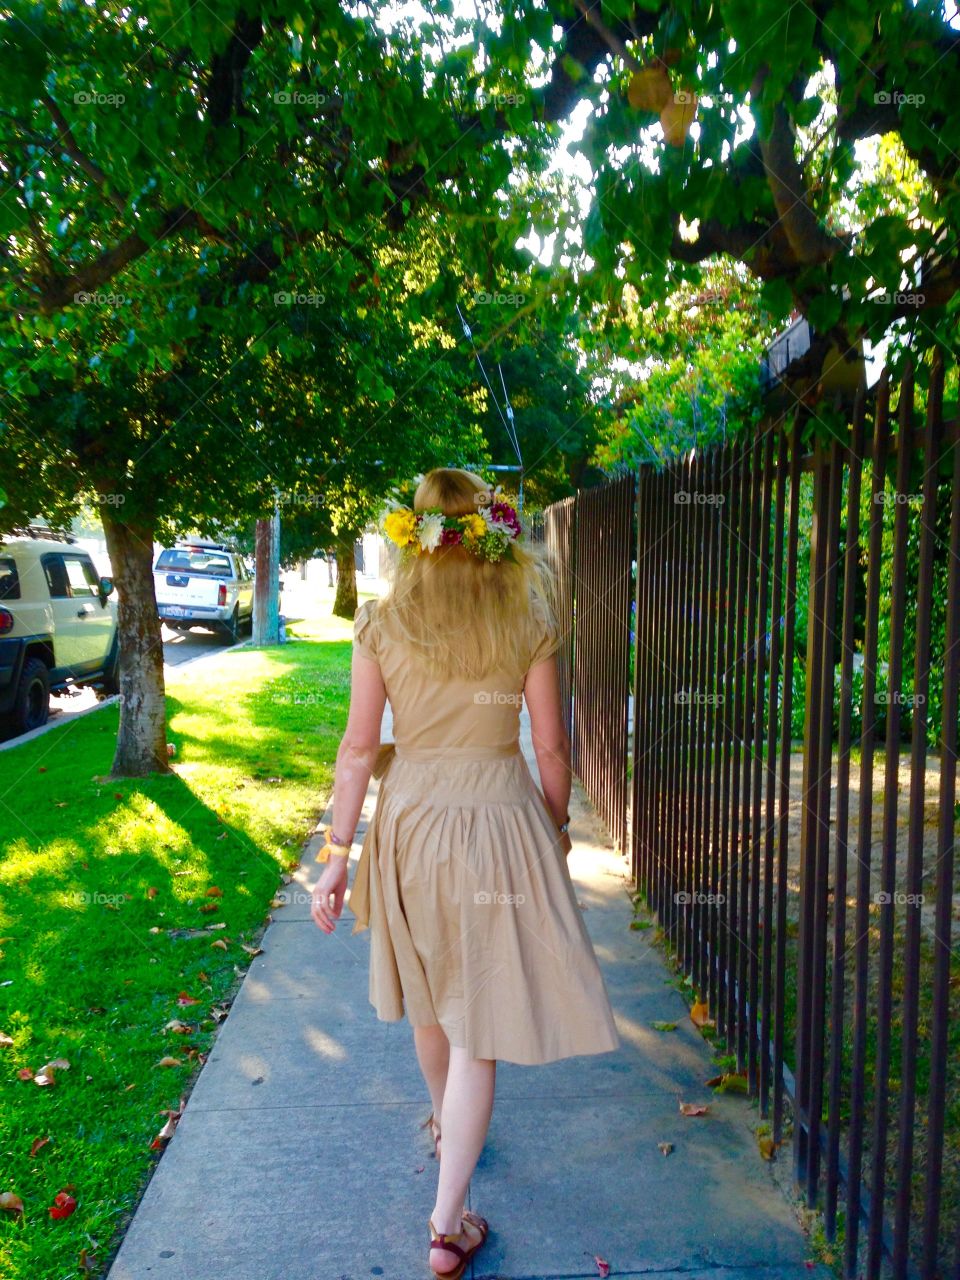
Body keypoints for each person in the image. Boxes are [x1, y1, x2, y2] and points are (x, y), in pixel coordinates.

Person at [310, 467, 620, 1279]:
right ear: (489, 528)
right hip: (494, 824)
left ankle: (450, 1133)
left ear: (414, 533)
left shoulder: (383, 621)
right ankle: (447, 1228)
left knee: (430, 999)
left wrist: (336, 858)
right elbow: (552, 749)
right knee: (476, 1017)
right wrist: (554, 831)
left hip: (410, 822)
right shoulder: (527, 615)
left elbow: (354, 750)